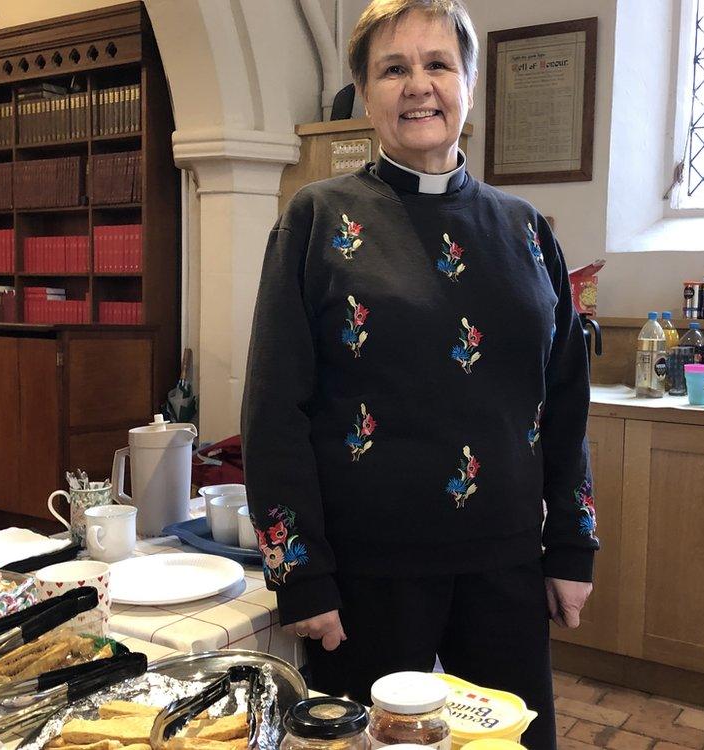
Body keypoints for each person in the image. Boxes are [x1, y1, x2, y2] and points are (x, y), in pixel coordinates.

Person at [241, 2, 597, 747]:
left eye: (437, 64)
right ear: (364, 95)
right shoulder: (316, 219)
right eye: (392, 69)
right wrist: (298, 572)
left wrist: (572, 546)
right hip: (369, 572)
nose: (418, 86)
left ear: (469, 83)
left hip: (505, 564)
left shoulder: (528, 230)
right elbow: (276, 408)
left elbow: (565, 402)